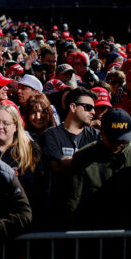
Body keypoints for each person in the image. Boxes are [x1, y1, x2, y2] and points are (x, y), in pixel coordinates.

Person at [64, 108, 131, 229]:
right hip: (95, 233)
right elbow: (73, 201)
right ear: (101, 133)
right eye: (113, 139)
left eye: (123, 140)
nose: (118, 144)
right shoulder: (83, 157)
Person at [42, 87, 100, 228]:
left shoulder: (96, 136)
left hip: (90, 211)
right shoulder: (51, 134)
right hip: (59, 211)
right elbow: (57, 166)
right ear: (73, 107)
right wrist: (88, 163)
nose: (93, 112)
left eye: (93, 108)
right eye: (88, 107)